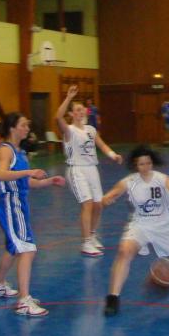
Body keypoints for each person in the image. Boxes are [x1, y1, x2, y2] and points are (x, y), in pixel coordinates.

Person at [0, 112, 65, 316]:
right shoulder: (6, 150)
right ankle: (24, 301)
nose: (27, 128)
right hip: (11, 205)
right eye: (23, 125)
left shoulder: (20, 152)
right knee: (27, 249)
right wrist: (29, 172)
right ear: (12, 128)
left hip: (19, 205)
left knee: (13, 248)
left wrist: (48, 181)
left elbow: (26, 182)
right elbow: (1, 174)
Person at [101, 145, 169, 316]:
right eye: (141, 164)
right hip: (140, 225)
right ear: (136, 165)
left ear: (152, 163)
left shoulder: (163, 179)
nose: (145, 167)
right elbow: (110, 195)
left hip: (163, 227)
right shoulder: (129, 181)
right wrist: (106, 200)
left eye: (148, 163)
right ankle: (113, 298)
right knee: (124, 252)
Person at [56, 84, 123, 257]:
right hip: (76, 170)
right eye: (77, 110)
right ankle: (86, 242)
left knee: (98, 204)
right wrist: (69, 98)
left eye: (82, 109)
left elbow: (102, 145)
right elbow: (58, 117)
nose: (80, 112)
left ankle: (92, 236)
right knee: (87, 204)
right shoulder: (69, 130)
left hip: (92, 168)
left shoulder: (91, 130)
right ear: (72, 114)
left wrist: (113, 155)